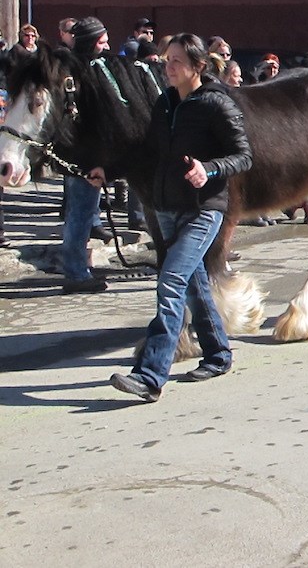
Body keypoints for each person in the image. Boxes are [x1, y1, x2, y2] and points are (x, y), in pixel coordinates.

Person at [100, 33, 253, 402]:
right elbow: (150, 150)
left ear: (198, 67)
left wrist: (210, 169)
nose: (168, 68)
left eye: (176, 62)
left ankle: (151, 375)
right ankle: (218, 354)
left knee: (170, 281)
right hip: (167, 207)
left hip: (203, 210)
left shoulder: (217, 104)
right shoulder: (166, 102)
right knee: (194, 285)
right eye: (167, 60)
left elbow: (243, 155)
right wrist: (108, 169)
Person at [59, 17, 115, 294]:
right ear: (93, 42)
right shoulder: (85, 73)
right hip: (85, 156)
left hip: (77, 154)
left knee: (79, 213)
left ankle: (77, 268)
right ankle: (76, 273)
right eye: (103, 42)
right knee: (80, 215)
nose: (107, 47)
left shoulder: (71, 68)